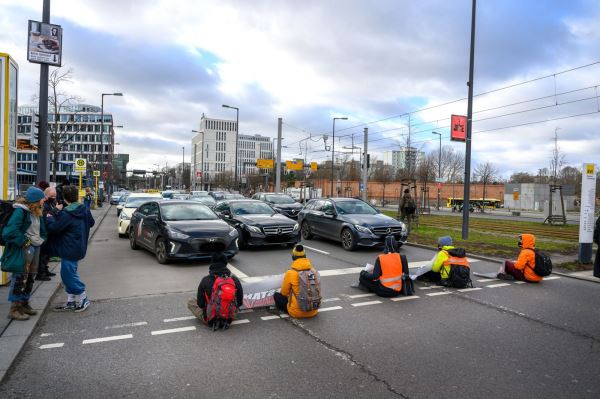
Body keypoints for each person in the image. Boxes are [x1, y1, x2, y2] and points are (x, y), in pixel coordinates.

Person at [1, 187, 47, 320]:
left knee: (31, 276)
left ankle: (24, 304)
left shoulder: (36, 210)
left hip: (35, 246)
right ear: (35, 200)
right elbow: (9, 232)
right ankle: (14, 308)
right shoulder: (21, 211)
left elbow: (40, 229)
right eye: (41, 198)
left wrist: (42, 239)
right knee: (20, 277)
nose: (44, 200)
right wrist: (24, 242)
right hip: (25, 248)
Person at [46, 185, 95, 312]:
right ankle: (71, 301)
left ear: (65, 198)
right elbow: (92, 222)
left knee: (67, 275)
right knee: (70, 273)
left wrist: (51, 215)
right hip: (79, 247)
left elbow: (54, 229)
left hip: (69, 248)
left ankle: (83, 297)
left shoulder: (67, 213)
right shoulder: (83, 209)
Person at [187, 252, 243, 326]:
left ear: (212, 263)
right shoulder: (233, 279)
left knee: (190, 301)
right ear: (226, 263)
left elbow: (200, 304)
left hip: (210, 319)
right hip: (229, 318)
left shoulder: (205, 280)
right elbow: (239, 303)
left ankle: (210, 318)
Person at [273, 245, 320, 318]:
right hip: (314, 310)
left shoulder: (291, 272)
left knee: (277, 295)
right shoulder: (314, 271)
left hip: (296, 312)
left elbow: (284, 292)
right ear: (305, 256)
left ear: (293, 257)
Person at [35, 187, 62, 281]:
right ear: (46, 195)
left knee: (47, 253)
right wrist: (55, 209)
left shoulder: (52, 202)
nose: (54, 197)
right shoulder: (43, 204)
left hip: (50, 231)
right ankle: (40, 273)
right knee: (42, 253)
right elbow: (45, 216)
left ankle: (45, 269)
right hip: (43, 231)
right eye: (51, 196)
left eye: (55, 196)